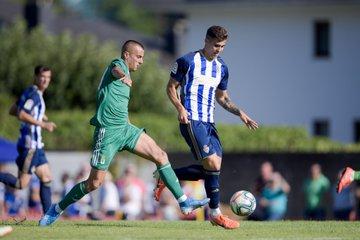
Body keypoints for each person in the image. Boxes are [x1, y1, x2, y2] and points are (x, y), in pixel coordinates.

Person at [39, 40, 209, 226]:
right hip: (108, 132)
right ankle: (56, 209)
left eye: (142, 57)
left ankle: (184, 202)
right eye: (139, 56)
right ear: (126, 55)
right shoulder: (119, 65)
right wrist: (122, 76)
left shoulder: (127, 74)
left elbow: (118, 103)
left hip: (125, 129)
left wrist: (127, 122)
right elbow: (115, 69)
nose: (141, 61)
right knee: (94, 183)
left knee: (161, 155)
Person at [154, 26, 258, 229]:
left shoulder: (222, 67)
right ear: (206, 41)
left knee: (213, 169)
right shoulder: (187, 61)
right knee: (211, 163)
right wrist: (180, 108)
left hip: (209, 123)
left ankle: (166, 176)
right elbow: (170, 87)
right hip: (191, 120)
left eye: (223, 46)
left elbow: (222, 98)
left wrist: (240, 113)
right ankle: (216, 213)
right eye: (216, 45)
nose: (219, 49)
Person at [0, 66, 55, 214]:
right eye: (42, 76)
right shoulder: (35, 95)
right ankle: (48, 216)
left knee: (47, 176)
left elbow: (13, 110)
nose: (45, 80)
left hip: (37, 146)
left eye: (48, 77)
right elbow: (21, 114)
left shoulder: (29, 92)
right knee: (21, 183)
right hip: (30, 145)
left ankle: (48, 217)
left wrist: (38, 115)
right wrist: (42, 123)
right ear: (36, 77)